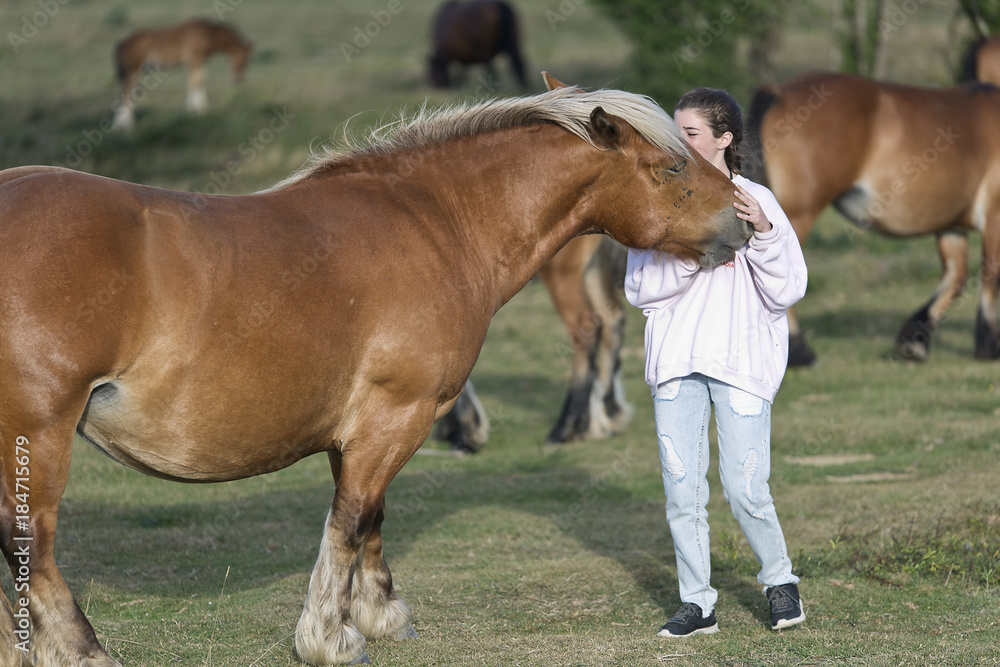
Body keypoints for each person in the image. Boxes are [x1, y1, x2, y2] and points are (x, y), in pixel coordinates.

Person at [624, 88, 808, 638]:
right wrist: (694, 249)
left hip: (743, 363)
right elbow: (641, 290)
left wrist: (764, 235)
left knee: (746, 487)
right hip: (677, 363)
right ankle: (697, 603)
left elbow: (789, 289)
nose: (678, 142)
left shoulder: (757, 199)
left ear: (725, 139)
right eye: (674, 132)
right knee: (683, 490)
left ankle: (780, 583)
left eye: (690, 133)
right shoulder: (658, 200)